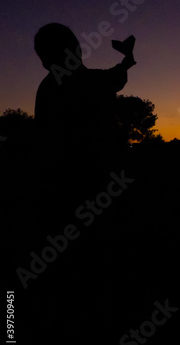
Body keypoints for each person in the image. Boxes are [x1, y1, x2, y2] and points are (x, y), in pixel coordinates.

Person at [33, 23, 136, 213]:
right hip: (95, 179)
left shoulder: (46, 88)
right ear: (76, 50)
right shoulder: (89, 81)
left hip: (60, 187)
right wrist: (127, 58)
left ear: (44, 62)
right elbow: (116, 78)